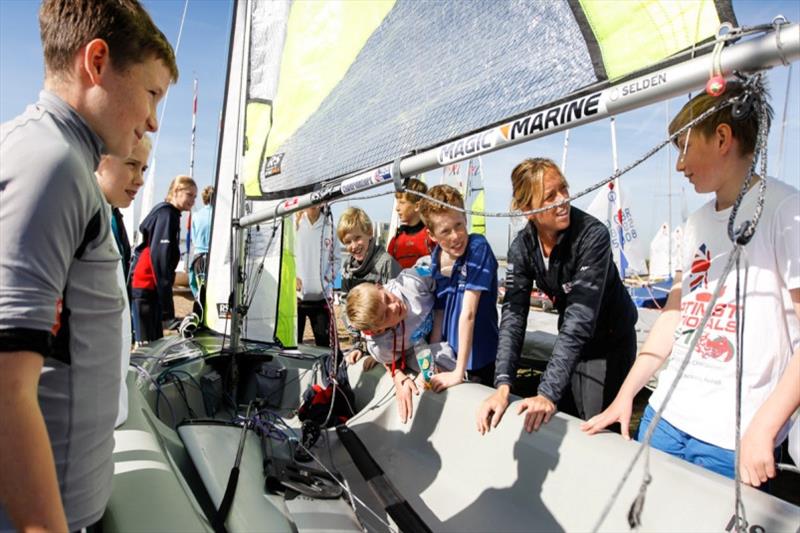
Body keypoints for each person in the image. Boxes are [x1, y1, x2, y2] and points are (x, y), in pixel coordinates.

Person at [0, 0, 177, 529]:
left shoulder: (55, 156)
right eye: (151, 93)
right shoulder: (52, 165)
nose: (151, 120)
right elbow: (7, 389)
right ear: (96, 62)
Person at [582, 82, 799, 484]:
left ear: (722, 138)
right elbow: (672, 319)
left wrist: (765, 429)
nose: (679, 165)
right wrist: (627, 394)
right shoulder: (696, 223)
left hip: (733, 439)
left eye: (683, 147)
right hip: (664, 416)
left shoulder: (788, 212)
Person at [477, 158, 638, 435]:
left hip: (609, 341)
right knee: (562, 417)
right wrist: (502, 384)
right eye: (550, 196)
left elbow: (580, 318)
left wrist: (547, 392)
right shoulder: (522, 247)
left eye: (564, 189)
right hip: (572, 341)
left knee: (593, 425)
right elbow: (513, 316)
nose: (563, 199)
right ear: (528, 210)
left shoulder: (592, 235)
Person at [417, 185, 499, 390]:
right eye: (445, 231)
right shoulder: (435, 261)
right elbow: (439, 316)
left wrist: (459, 372)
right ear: (432, 235)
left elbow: (468, 312)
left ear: (465, 218)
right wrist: (435, 359)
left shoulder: (477, 247)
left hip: (480, 358)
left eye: (459, 225)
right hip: (450, 356)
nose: (455, 236)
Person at [345, 265, 450, 423]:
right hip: (418, 346)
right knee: (431, 370)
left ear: (379, 286)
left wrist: (439, 319)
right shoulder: (380, 345)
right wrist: (399, 376)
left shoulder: (412, 279)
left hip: (445, 320)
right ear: (379, 330)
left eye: (387, 299)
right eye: (386, 315)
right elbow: (391, 361)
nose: (394, 307)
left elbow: (440, 268)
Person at [95, 134, 151, 427]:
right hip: (91, 415)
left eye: (143, 169)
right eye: (132, 164)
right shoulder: (85, 220)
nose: (139, 180)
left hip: (107, 410)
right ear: (100, 161)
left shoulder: (110, 217)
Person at [130, 175, 197, 343]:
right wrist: (168, 311)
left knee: (153, 341)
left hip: (146, 287)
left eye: (195, 197)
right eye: (189, 195)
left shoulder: (168, 213)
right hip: (146, 286)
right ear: (176, 191)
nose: (193, 200)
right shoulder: (167, 215)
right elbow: (160, 259)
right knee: (147, 345)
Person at [337, 207, 401, 369]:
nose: (353, 246)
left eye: (358, 238)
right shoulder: (347, 269)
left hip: (389, 341)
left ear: (370, 233)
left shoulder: (386, 263)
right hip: (366, 338)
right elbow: (348, 309)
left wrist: (381, 354)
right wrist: (359, 344)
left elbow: (397, 309)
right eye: (348, 242)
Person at [295, 205, 340, 347]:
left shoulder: (330, 228)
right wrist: (292, 279)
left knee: (326, 348)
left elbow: (336, 260)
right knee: (293, 347)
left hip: (321, 299)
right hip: (296, 300)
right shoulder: (294, 226)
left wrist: (325, 280)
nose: (313, 204)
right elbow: (284, 257)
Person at [388, 178, 434, 268]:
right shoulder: (396, 241)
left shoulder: (431, 237)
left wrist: (413, 276)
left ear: (417, 206)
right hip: (400, 281)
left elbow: (431, 272)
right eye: (397, 203)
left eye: (402, 203)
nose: (397, 208)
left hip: (423, 281)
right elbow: (389, 271)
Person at [190, 185, 214, 297]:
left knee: (199, 289)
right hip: (213, 257)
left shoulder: (195, 215)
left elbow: (193, 238)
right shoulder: (218, 215)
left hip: (198, 257)